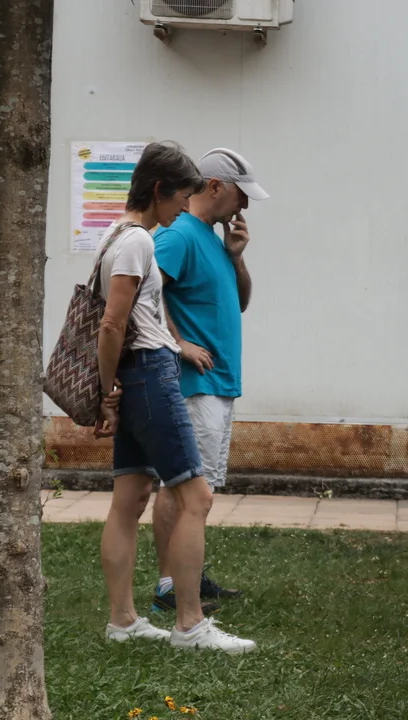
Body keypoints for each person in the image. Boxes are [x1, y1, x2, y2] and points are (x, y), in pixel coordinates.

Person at [94, 141, 256, 654]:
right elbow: (112, 323)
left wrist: (110, 386)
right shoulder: (141, 240)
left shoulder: (117, 235)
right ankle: (190, 624)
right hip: (151, 375)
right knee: (196, 497)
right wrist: (106, 389)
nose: (184, 207)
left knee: (129, 499)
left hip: (135, 375)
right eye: (181, 196)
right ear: (160, 189)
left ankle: (123, 620)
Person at [148, 147, 267, 614]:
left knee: (197, 487)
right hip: (194, 384)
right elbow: (144, 292)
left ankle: (187, 575)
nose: (245, 205)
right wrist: (179, 343)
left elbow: (241, 302)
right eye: (241, 194)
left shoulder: (213, 239)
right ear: (215, 186)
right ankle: (169, 586)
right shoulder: (178, 234)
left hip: (217, 382)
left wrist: (236, 258)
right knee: (181, 485)